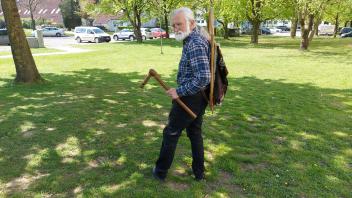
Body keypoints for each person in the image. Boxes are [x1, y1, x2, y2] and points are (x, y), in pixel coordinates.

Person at [153, 7, 211, 181]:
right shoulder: (194, 38)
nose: (176, 28)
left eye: (179, 24)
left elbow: (203, 77)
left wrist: (179, 91)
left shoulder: (195, 43)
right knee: (194, 132)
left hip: (191, 97)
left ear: (191, 23)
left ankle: (160, 172)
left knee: (171, 132)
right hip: (199, 96)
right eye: (173, 25)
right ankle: (199, 173)